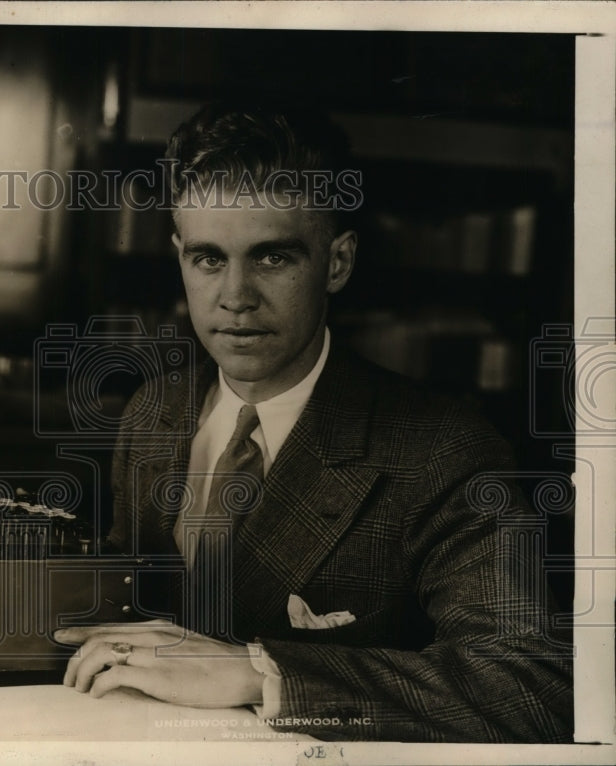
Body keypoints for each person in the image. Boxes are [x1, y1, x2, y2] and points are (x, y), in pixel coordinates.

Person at [54, 102, 573, 742]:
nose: (236, 296)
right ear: (178, 257)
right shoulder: (152, 414)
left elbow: (533, 687)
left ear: (337, 263)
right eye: (208, 259)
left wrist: (259, 671)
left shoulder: (442, 449)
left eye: (273, 258)